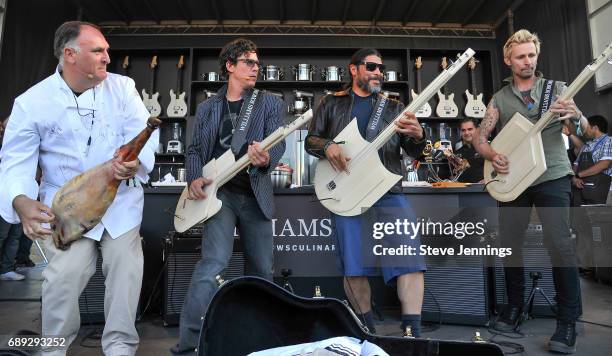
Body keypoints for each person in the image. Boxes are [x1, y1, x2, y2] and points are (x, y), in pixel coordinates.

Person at [0, 21, 158, 355]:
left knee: (125, 274)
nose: (107, 57)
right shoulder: (31, 102)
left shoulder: (123, 87)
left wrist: (134, 162)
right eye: (98, 50)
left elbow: (145, 134)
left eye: (107, 50)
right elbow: (15, 160)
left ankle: (120, 349)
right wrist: (21, 200)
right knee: (61, 282)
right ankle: (53, 349)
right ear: (69, 54)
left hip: (119, 201)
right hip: (67, 209)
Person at [473, 29, 587, 354]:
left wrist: (575, 117)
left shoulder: (557, 89)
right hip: (516, 180)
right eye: (521, 56)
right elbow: (481, 137)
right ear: (509, 60)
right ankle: (513, 307)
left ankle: (567, 322)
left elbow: (581, 131)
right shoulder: (499, 99)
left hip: (553, 174)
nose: (527, 61)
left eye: (531, 55)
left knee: (559, 244)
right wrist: (493, 154)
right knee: (510, 244)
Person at [173, 38, 286, 355]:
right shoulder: (209, 107)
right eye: (249, 62)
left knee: (261, 271)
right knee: (213, 264)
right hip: (218, 196)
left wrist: (267, 159)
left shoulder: (269, 102)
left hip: (255, 193)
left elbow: (278, 142)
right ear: (230, 66)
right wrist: (195, 177)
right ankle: (190, 343)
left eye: (257, 63)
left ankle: (258, 338)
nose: (255, 68)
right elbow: (195, 150)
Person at [305, 48, 427, 336]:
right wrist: (327, 146)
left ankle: (412, 332)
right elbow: (311, 140)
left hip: (388, 191)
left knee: (409, 258)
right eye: (371, 67)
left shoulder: (395, 107)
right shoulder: (330, 104)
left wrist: (419, 136)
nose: (378, 73)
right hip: (347, 193)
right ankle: (366, 330)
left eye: (381, 69)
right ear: (353, 69)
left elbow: (414, 151)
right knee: (354, 265)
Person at [570, 115, 611, 272]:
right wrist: (574, 178)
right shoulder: (586, 146)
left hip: (600, 191)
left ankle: (600, 268)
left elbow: (604, 164)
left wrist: (580, 175)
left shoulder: (608, 142)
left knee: (599, 230)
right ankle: (585, 265)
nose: (584, 131)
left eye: (586, 127)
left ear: (595, 127)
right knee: (582, 228)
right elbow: (575, 165)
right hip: (581, 192)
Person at [0, 117, 26, 281]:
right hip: (3, 196)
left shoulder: (21, 146)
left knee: (15, 234)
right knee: (2, 235)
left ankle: (6, 269)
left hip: (19, 196)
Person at [455, 117, 484, 183]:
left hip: (483, 190)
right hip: (463, 192)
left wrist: (488, 180)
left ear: (477, 130)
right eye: (463, 130)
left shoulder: (488, 149)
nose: (467, 133)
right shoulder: (458, 153)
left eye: (470, 129)